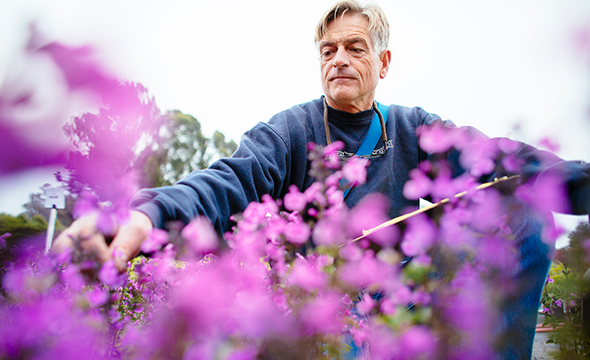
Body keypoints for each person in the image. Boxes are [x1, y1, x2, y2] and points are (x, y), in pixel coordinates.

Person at [54, 1, 590, 359]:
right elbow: (226, 181)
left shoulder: (415, 128)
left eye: (355, 47)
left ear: (383, 61)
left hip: (403, 287)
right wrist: (146, 214)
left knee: (524, 215)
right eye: (328, 51)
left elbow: (501, 160)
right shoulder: (291, 130)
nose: (338, 60)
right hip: (323, 305)